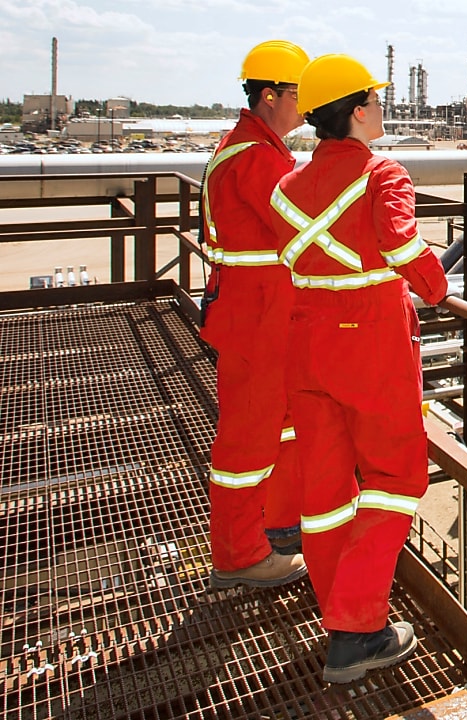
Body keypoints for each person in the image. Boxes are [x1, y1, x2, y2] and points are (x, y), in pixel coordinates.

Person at [268, 53, 450, 684]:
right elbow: (402, 245)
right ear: (353, 110)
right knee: (396, 478)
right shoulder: (382, 173)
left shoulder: (287, 185)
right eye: (374, 99)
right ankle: (356, 629)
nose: (381, 107)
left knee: (324, 493)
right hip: (368, 340)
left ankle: (337, 608)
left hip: (305, 340)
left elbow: (288, 254)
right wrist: (435, 286)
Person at [202, 40, 310, 589]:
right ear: (269, 96)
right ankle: (240, 554)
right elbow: (301, 229)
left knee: (280, 427)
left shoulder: (253, 147)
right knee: (248, 439)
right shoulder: (255, 158)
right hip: (256, 320)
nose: (305, 104)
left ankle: (278, 524)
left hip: (261, 314)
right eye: (298, 94)